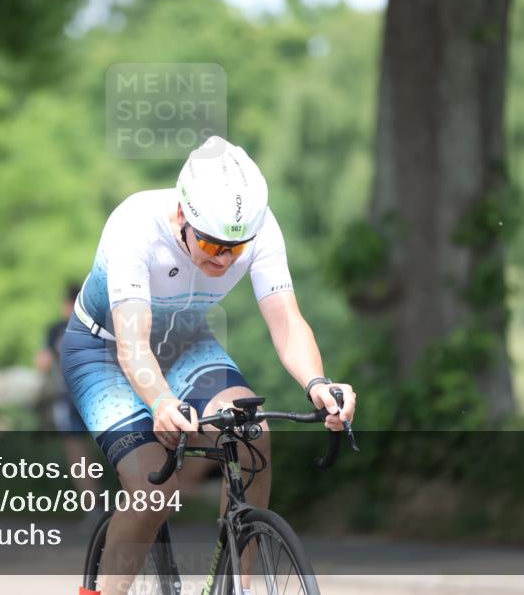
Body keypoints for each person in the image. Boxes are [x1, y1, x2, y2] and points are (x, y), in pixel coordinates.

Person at [62, 136, 357, 595]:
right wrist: (160, 400)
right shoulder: (134, 225)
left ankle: (237, 585)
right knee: (152, 491)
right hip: (104, 352)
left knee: (253, 432)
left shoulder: (257, 227)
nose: (224, 259)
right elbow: (132, 345)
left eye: (236, 250)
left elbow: (287, 322)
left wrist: (317, 382)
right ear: (183, 214)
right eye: (212, 244)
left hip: (185, 343)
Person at [35, 285, 100, 501]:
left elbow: (42, 362)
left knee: (77, 451)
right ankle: (106, 503)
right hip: (87, 393)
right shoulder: (98, 323)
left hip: (75, 394)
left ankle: (94, 505)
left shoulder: (58, 329)